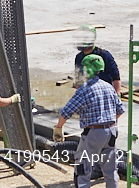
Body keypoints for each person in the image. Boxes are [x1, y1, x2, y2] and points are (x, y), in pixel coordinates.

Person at [53, 54, 125, 188]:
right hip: (111, 131)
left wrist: (58, 127)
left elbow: (66, 111)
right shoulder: (108, 87)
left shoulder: (84, 90)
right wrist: (108, 123)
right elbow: (120, 110)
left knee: (83, 168)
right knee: (110, 170)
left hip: (93, 133)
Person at [73, 25, 121, 93]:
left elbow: (115, 77)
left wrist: (117, 94)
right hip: (88, 93)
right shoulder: (79, 57)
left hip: (104, 91)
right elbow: (79, 78)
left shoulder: (104, 55)